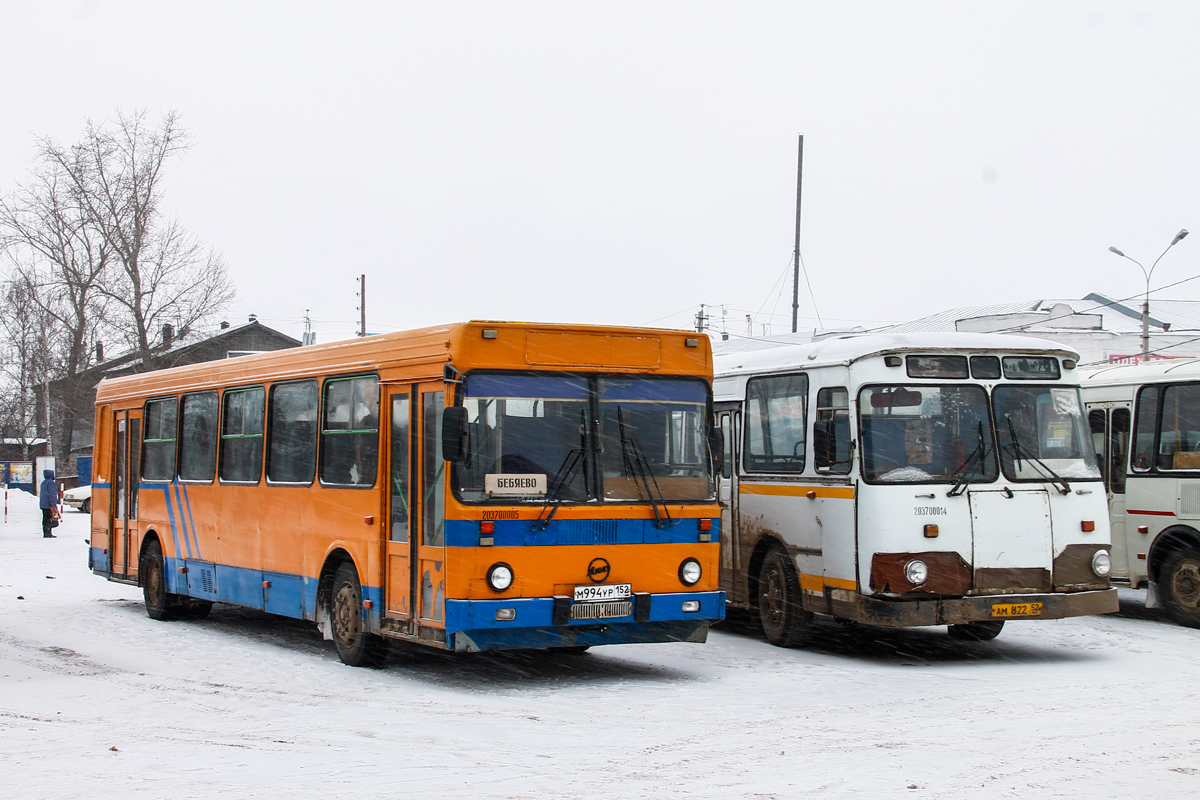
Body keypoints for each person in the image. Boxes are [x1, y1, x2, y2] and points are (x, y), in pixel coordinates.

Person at [39, 469, 59, 538]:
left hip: (43, 504)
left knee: (45, 518)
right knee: (50, 518)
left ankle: (46, 532)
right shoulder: (51, 483)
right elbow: (52, 494)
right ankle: (48, 531)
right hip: (49, 504)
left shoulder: (44, 482)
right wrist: (53, 503)